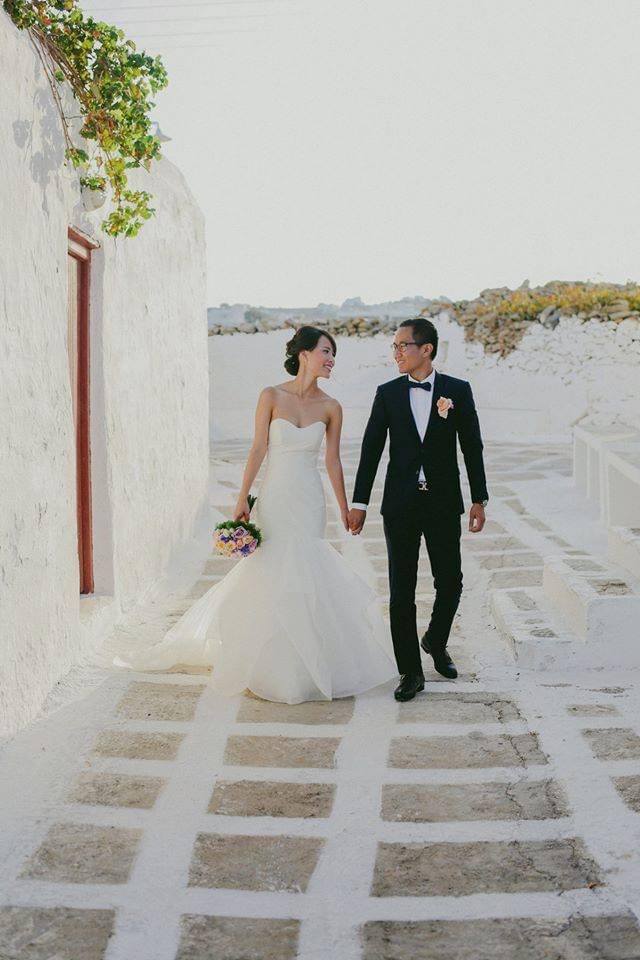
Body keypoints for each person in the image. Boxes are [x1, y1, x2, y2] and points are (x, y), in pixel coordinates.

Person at [115, 326, 397, 703]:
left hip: (309, 499)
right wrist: (242, 499)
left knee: (306, 568)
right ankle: (267, 665)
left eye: (334, 354)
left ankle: (307, 667)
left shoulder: (332, 407)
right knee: (271, 568)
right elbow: (258, 449)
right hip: (275, 496)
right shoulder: (271, 396)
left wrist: (345, 506)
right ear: (304, 354)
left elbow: (332, 461)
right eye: (326, 351)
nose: (331, 360)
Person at [348, 317, 489, 702]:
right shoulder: (387, 393)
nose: (396, 353)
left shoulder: (457, 390)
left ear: (426, 349)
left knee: (451, 581)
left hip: (443, 502)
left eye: (402, 345)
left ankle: (435, 640)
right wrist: (359, 502)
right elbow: (371, 451)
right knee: (401, 591)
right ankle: (410, 671)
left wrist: (479, 498)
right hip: (400, 505)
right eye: (394, 346)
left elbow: (471, 446)